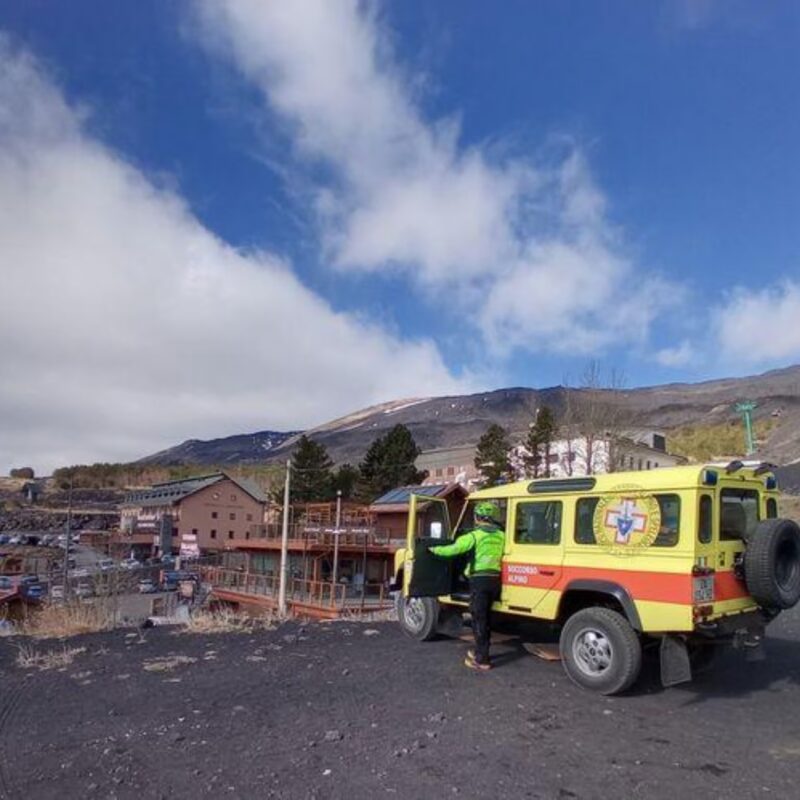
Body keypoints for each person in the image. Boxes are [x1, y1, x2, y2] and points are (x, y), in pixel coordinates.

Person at [429, 501, 505, 671]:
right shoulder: (501, 535)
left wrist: (433, 550)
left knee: (479, 620)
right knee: (486, 618)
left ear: (479, 518)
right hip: (495, 581)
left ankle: (482, 660)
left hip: (479, 580)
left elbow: (453, 549)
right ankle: (480, 651)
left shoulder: (474, 536)